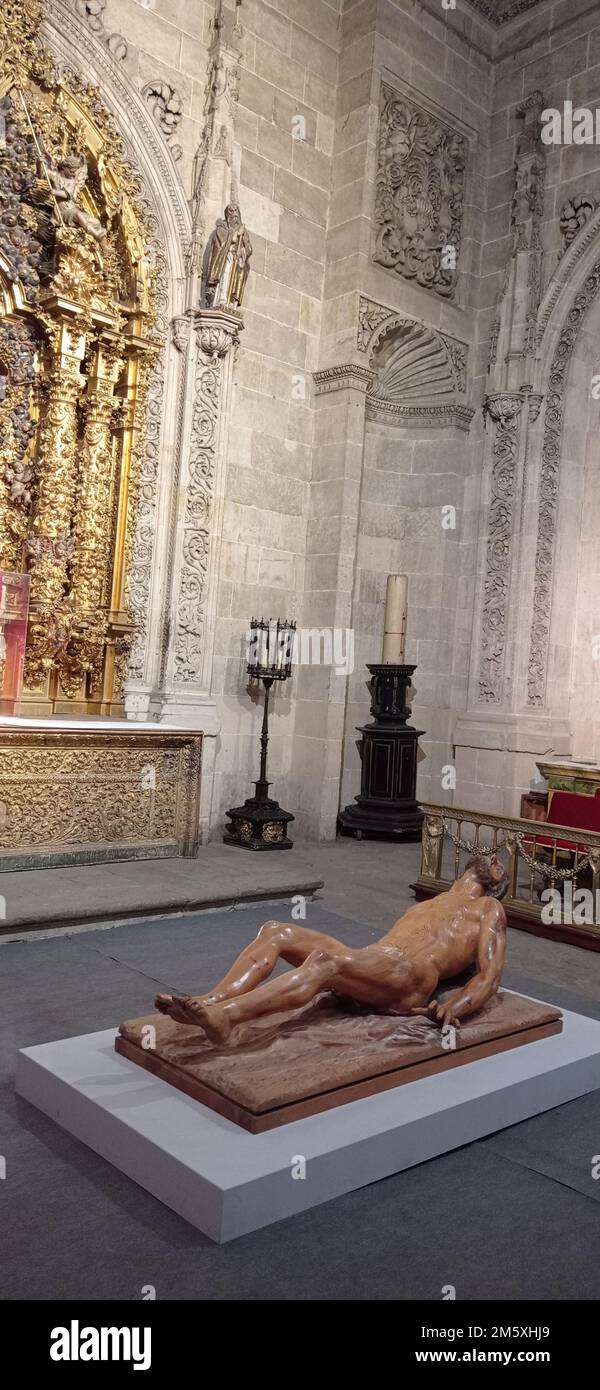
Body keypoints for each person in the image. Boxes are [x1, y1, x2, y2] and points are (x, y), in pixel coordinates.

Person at [156, 855, 508, 1044]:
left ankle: (227, 1020)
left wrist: (455, 1006)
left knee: (326, 961)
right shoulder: (430, 902)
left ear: (496, 886)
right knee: (278, 931)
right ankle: (210, 1000)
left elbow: (490, 975)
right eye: (492, 856)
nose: (495, 856)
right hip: (378, 959)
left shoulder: (487, 910)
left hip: (409, 974)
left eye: (499, 864)